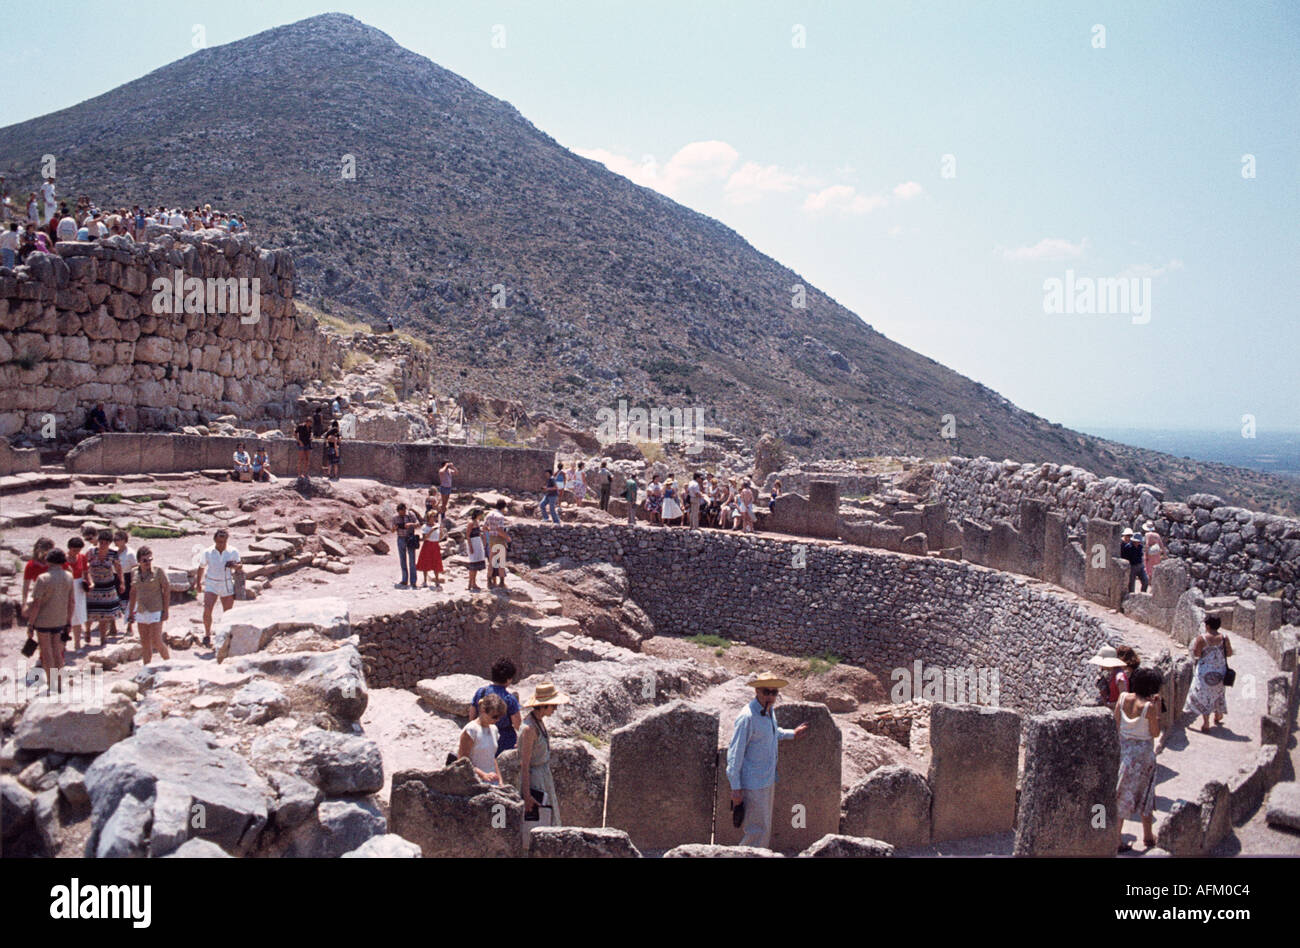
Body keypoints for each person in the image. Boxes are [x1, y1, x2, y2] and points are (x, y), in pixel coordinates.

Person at [726, 672, 810, 849]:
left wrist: (791, 734)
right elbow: (735, 754)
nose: (771, 696)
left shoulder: (768, 711)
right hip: (753, 784)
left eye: (774, 692)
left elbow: (772, 732)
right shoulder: (747, 717)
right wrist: (736, 788)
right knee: (756, 830)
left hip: (767, 779)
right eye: (766, 692)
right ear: (757, 691)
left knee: (763, 828)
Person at [1115, 666, 1164, 852]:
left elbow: (1116, 721)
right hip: (1143, 756)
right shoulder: (1149, 707)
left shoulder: (1122, 698)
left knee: (1121, 794)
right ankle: (1148, 836)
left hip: (1124, 751)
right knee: (1146, 795)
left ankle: (1116, 838)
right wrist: (1157, 712)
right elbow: (1155, 732)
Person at [517, 682, 570, 838]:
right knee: (538, 823)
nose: (555, 709)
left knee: (548, 820)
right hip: (535, 780)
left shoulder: (538, 722)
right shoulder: (529, 728)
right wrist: (527, 795)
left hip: (543, 776)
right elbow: (524, 764)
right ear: (544, 705)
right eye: (553, 706)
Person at [25, 549, 74, 693]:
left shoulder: (43, 578)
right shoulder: (69, 577)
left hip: (44, 620)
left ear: (48, 560)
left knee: (46, 653)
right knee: (58, 652)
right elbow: (72, 602)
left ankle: (51, 685)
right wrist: (69, 621)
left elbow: (36, 604)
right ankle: (59, 685)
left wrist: (30, 624)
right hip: (60, 619)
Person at [193, 528, 242, 649]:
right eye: (219, 541)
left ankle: (226, 634)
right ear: (215, 540)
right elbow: (201, 567)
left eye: (224, 541)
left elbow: (240, 566)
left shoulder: (233, 551)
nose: (222, 544)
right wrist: (198, 583)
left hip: (226, 583)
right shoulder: (208, 552)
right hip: (211, 583)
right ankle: (207, 634)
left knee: (228, 612)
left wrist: (235, 566)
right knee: (207, 608)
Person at [1185, 615, 1231, 732]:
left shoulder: (1202, 638)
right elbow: (1229, 653)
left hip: (1204, 673)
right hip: (1220, 672)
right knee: (1218, 693)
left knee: (1204, 696)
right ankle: (1218, 714)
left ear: (1208, 626)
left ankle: (1206, 723)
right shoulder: (1225, 637)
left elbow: (1197, 654)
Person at [127, 546, 171, 666]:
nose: (148, 563)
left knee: (156, 641)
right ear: (139, 561)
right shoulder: (135, 572)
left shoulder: (158, 572)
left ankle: (169, 664)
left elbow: (166, 590)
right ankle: (147, 668)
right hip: (141, 609)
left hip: (156, 609)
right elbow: (133, 592)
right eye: (144, 560)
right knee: (145, 643)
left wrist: (166, 610)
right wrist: (131, 612)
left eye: (150, 559)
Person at [472, 659, 523, 754]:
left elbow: (472, 716)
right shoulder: (509, 699)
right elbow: (518, 725)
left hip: (482, 737)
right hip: (504, 742)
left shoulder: (481, 692)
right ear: (508, 679)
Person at [83, 531, 124, 647]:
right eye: (101, 542)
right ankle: (87, 630)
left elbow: (118, 568)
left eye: (106, 543)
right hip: (93, 586)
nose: (103, 545)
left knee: (105, 614)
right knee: (90, 612)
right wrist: (87, 579)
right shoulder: (91, 552)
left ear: (109, 543)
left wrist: (122, 582)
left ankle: (102, 638)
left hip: (107, 586)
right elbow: (84, 566)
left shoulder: (113, 553)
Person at [457, 693, 507, 785]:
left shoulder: (494, 729)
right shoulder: (471, 730)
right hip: (474, 781)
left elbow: (492, 757)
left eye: (500, 717)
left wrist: (500, 781)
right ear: (483, 710)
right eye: (495, 716)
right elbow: (462, 761)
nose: (497, 720)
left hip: (492, 781)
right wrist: (483, 775)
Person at [19, 538, 54, 625]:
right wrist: (24, 604)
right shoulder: (31, 565)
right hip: (39, 594)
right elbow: (26, 586)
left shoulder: (56, 562)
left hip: (54, 593)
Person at [112, 530, 137, 640]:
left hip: (127, 577)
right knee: (112, 602)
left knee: (128, 604)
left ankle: (129, 627)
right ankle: (113, 627)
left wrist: (132, 583)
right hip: (114, 577)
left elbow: (135, 568)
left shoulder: (130, 553)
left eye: (118, 540)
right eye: (115, 540)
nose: (116, 542)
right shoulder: (113, 551)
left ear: (124, 541)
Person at [65, 536, 89, 650]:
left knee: (78, 615)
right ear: (69, 548)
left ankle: (77, 643)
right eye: (74, 550)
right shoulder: (62, 559)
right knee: (65, 615)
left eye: (78, 550)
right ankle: (63, 643)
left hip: (79, 587)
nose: (76, 553)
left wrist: (90, 583)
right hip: (66, 586)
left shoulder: (82, 557)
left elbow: (85, 572)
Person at [392, 503, 420, 588]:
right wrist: (395, 528)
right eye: (400, 513)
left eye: (403, 512)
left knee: (412, 560)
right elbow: (392, 530)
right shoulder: (395, 517)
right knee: (402, 560)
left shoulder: (411, 514)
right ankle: (404, 580)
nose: (402, 514)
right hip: (400, 538)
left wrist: (410, 524)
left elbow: (418, 524)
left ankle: (413, 581)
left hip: (410, 538)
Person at [485, 499, 511, 589]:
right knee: (501, 562)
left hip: (491, 539)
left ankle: (489, 582)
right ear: (503, 507)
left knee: (492, 561)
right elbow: (500, 530)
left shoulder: (489, 514)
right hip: (499, 540)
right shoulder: (500, 516)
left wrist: (491, 531)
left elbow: (484, 527)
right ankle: (502, 583)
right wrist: (507, 538)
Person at [414, 509, 444, 586]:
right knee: (425, 562)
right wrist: (431, 530)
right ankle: (425, 580)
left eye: (435, 516)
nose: (434, 518)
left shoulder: (437, 525)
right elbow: (424, 538)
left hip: (435, 545)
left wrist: (441, 531)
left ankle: (437, 580)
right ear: (429, 517)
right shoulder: (425, 526)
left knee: (436, 562)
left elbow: (440, 537)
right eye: (432, 516)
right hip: (427, 544)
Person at [1120, 528, 1147, 593]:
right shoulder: (1127, 547)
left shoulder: (1140, 546)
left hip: (1140, 565)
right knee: (1131, 584)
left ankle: (1143, 594)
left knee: (1145, 581)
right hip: (1132, 566)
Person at [466, 509, 487, 592]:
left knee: (476, 564)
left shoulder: (477, 522)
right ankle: (470, 583)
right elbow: (467, 535)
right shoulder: (471, 523)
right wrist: (470, 547)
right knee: (473, 564)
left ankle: (473, 583)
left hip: (478, 543)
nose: (481, 516)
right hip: (473, 543)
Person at [295, 414, 313, 480]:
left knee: (307, 459)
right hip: (301, 444)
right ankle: (299, 474)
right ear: (307, 422)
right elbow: (295, 434)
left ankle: (305, 473)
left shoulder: (310, 428)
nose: (310, 424)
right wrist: (299, 441)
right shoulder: (300, 426)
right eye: (309, 422)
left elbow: (310, 434)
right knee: (301, 459)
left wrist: (311, 437)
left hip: (307, 444)